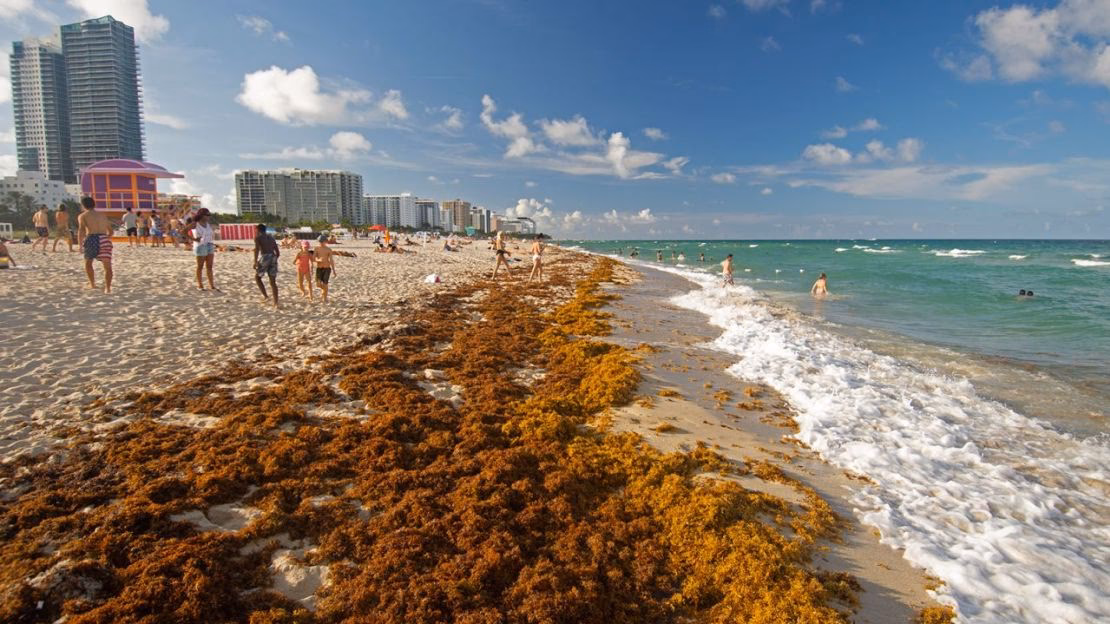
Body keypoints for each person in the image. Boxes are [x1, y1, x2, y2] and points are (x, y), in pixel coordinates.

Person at [76, 197, 113, 292]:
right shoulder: (102, 215)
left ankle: (92, 284)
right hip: (104, 238)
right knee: (107, 266)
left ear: (83, 206)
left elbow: (81, 230)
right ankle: (108, 288)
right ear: (94, 204)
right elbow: (111, 231)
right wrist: (105, 239)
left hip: (92, 238)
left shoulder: (83, 216)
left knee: (88, 263)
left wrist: (80, 245)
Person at [189, 208, 218, 290]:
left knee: (210, 266)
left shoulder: (208, 224)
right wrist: (194, 239)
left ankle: (211, 285)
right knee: (200, 266)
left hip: (209, 245)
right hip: (200, 246)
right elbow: (183, 231)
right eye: (207, 215)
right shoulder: (195, 224)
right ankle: (200, 285)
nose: (209, 216)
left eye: (209, 215)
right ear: (201, 215)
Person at [253, 223, 280, 308]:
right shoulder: (271, 237)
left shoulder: (258, 238)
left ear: (258, 230)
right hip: (273, 257)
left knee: (257, 277)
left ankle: (266, 296)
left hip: (265, 257)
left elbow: (257, 249)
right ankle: (276, 303)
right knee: (273, 282)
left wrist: (255, 261)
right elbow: (277, 252)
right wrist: (274, 259)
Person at [314, 234, 336, 303]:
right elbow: (313, 258)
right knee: (318, 284)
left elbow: (331, 260)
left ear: (325, 242)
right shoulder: (316, 248)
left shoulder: (328, 249)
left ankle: (325, 298)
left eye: (322, 241)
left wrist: (334, 270)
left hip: (327, 268)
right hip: (319, 268)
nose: (320, 243)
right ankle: (325, 291)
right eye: (319, 242)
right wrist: (318, 260)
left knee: (325, 284)